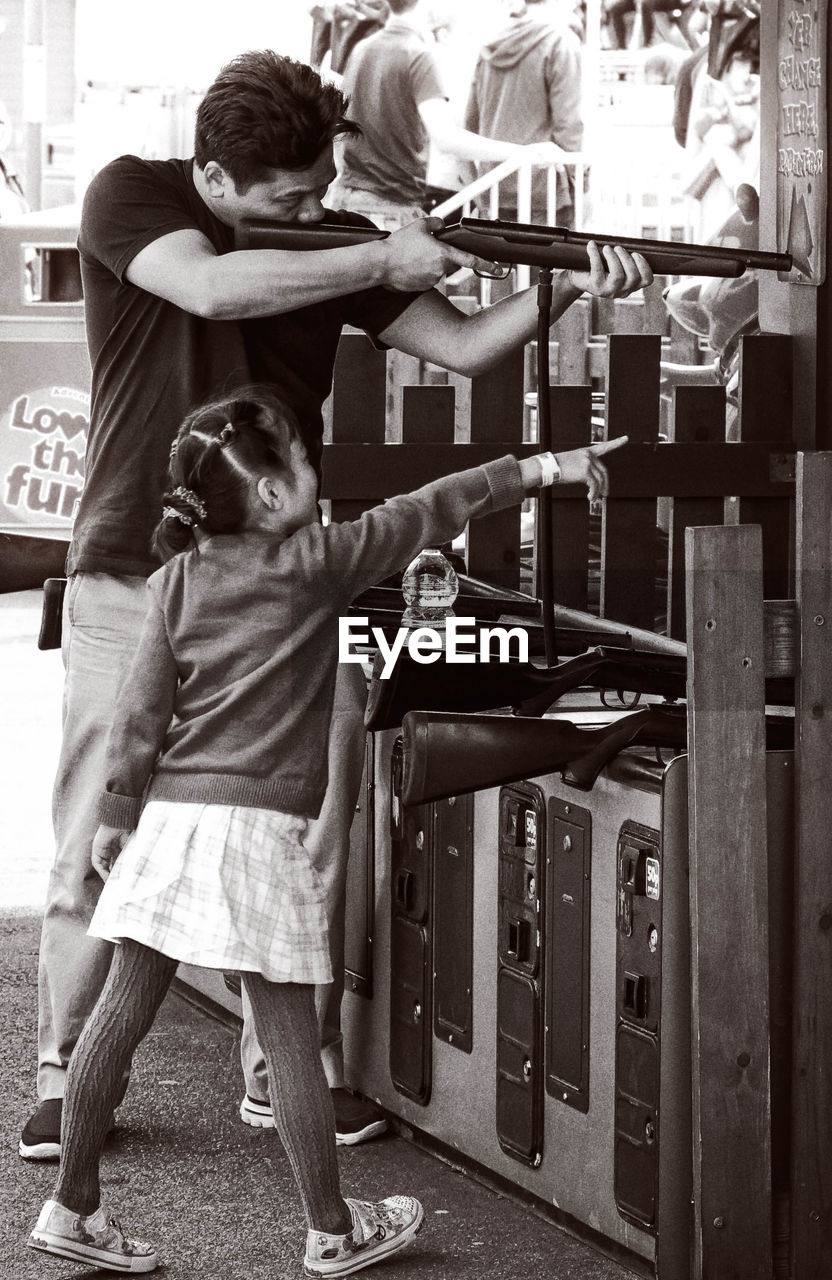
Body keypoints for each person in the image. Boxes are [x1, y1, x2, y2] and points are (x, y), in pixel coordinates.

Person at [20, 48, 651, 1164]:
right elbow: (208, 285)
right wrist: (370, 246)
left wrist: (558, 282)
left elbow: (460, 345)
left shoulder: (336, 234)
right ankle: (64, 1075)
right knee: (97, 828)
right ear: (215, 179)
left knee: (294, 832)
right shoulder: (135, 191)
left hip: (282, 582)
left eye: (320, 190)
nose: (311, 210)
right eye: (288, 199)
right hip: (134, 559)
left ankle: (282, 1072)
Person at [27, 385, 627, 1275]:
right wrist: (544, 467)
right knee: (289, 1035)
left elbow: (139, 719)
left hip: (171, 823)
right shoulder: (317, 563)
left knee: (120, 1013)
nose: (315, 467)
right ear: (271, 495)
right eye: (304, 459)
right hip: (255, 833)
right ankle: (332, 1230)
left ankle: (71, 1208)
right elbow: (430, 508)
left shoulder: (174, 581)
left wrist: (116, 818)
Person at [329, 0, 560, 230]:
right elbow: (445, 137)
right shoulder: (417, 55)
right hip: (389, 208)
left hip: (346, 201)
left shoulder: (361, 49)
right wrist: (526, 152)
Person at [464, 0, 583, 226]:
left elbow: (470, 123)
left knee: (497, 261)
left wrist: (476, 187)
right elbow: (568, 125)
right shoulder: (561, 40)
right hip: (544, 190)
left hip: (494, 184)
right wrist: (581, 187)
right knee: (545, 260)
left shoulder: (489, 43)